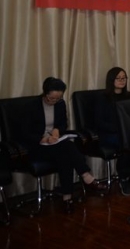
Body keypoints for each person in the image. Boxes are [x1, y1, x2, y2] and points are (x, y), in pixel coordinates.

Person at [23, 77, 107, 214]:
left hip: (55, 144)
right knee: (66, 149)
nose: (54, 101)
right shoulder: (31, 106)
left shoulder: (60, 104)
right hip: (37, 147)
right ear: (45, 93)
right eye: (52, 98)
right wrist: (43, 138)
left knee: (65, 153)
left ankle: (68, 197)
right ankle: (85, 179)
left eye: (58, 98)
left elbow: (62, 124)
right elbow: (24, 133)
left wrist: (57, 130)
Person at [94, 66, 130, 195]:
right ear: (111, 80)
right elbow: (99, 122)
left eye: (124, 78)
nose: (122, 80)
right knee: (125, 144)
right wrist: (118, 129)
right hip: (109, 134)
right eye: (118, 78)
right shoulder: (103, 97)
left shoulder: (129, 96)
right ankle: (124, 178)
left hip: (126, 133)